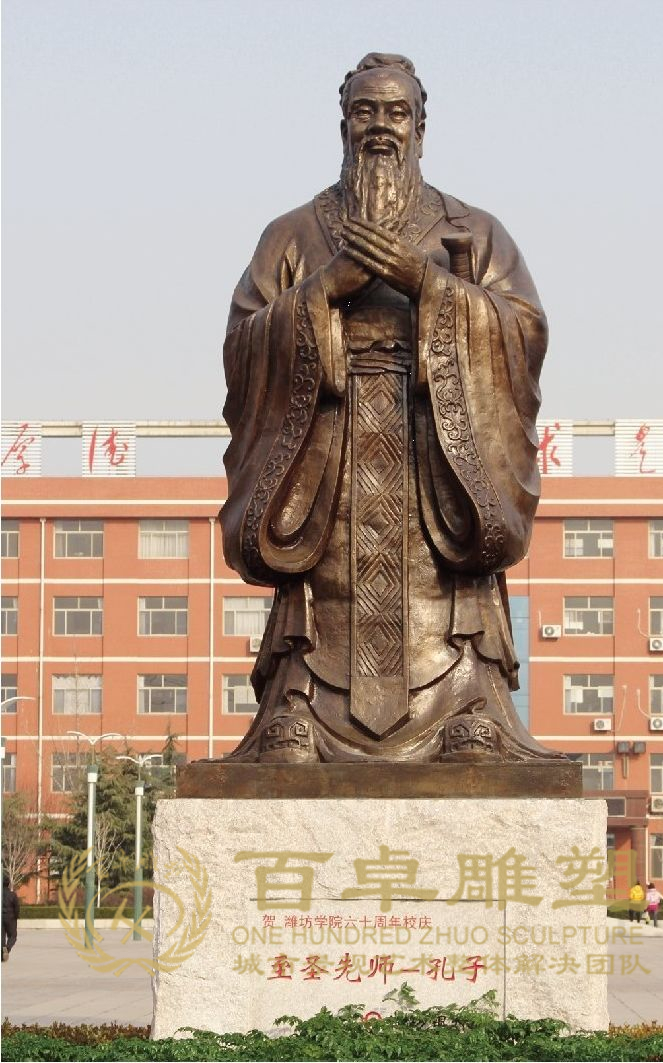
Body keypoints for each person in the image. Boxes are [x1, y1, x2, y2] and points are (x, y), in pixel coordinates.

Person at [220, 52, 566, 766]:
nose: (381, 126)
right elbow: (244, 341)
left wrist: (428, 285)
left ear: (421, 128)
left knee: (448, 576)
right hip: (330, 439)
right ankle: (298, 705)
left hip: (434, 441)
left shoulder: (474, 229)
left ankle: (468, 706)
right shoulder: (292, 234)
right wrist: (325, 288)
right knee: (321, 586)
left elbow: (524, 331)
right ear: (343, 123)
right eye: (366, 111)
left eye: (396, 112)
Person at [2, 874, 20, 961]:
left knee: (1, 936)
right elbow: (17, 907)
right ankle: (7, 948)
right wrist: (16, 916)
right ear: (9, 884)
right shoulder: (12, 895)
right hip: (10, 918)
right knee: (13, 936)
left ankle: (2, 952)